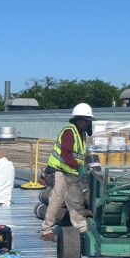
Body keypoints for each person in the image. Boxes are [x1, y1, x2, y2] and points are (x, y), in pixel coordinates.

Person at [40, 103, 94, 241]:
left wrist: (88, 166)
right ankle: (46, 230)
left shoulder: (80, 133)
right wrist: (78, 167)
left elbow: (80, 155)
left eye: (89, 122)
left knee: (75, 200)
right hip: (59, 171)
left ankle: (82, 229)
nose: (87, 124)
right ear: (78, 119)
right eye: (86, 121)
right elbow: (66, 154)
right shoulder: (70, 132)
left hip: (70, 172)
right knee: (57, 199)